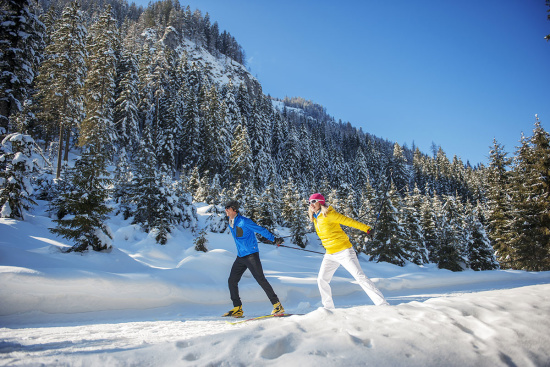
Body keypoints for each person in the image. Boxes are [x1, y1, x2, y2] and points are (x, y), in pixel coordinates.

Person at [308, 193, 389, 309]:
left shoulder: (330, 214)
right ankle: (328, 308)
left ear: (320, 202)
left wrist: (367, 228)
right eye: (309, 202)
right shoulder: (316, 217)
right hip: (330, 254)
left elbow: (348, 221)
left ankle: (383, 304)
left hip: (344, 251)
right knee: (322, 280)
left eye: (313, 201)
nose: (311, 204)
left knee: (359, 277)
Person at [222, 199, 285, 318]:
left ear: (234, 209)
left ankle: (277, 305)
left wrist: (274, 239)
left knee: (261, 279)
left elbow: (260, 229)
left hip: (251, 255)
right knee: (232, 281)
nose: (226, 210)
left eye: (228, 208)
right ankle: (237, 308)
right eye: (225, 207)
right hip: (240, 256)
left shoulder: (244, 221)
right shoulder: (231, 221)